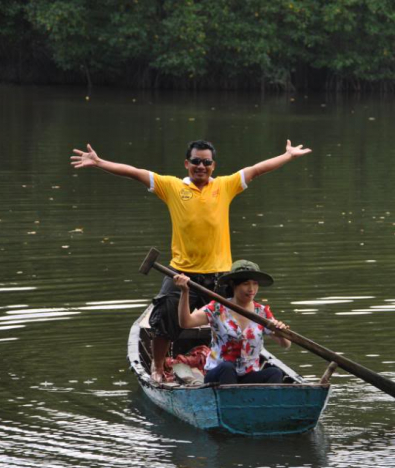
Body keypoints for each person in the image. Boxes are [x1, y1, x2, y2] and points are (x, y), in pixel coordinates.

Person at [71, 139, 311, 381]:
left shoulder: (225, 186)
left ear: (213, 165)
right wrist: (99, 162)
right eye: (196, 161)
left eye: (206, 162)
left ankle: (240, 365)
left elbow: (258, 169)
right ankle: (157, 367)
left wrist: (288, 156)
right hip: (182, 273)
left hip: (220, 275)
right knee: (165, 315)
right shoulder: (172, 187)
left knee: (239, 318)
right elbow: (134, 173)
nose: (201, 166)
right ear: (187, 164)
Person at [174, 260, 291, 385]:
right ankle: (231, 401)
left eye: (255, 284)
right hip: (219, 374)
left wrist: (281, 333)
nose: (251, 289)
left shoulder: (261, 312)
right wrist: (184, 292)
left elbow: (286, 345)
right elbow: (185, 322)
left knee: (275, 373)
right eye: (246, 284)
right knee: (227, 368)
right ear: (233, 285)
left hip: (248, 376)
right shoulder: (217, 309)